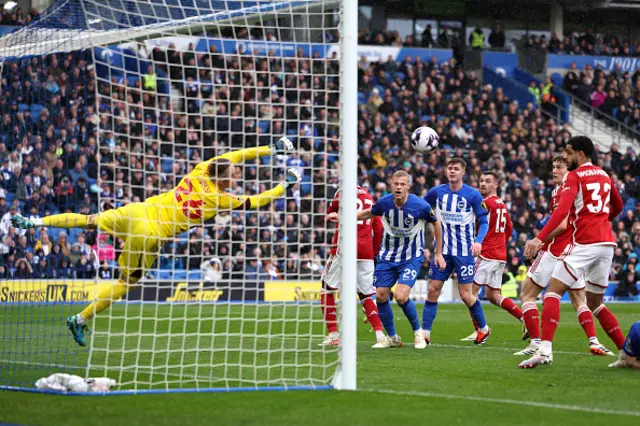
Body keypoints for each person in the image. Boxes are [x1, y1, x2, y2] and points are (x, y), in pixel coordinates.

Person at [11, 139, 300, 347]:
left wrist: (271, 149)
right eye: (234, 176)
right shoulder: (221, 198)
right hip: (150, 232)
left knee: (89, 220)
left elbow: (236, 154)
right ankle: (81, 318)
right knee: (127, 283)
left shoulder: (202, 169)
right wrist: (285, 184)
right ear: (223, 181)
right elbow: (260, 199)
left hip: (138, 209)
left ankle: (35, 222)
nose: (237, 176)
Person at [520, 136, 624, 368]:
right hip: (607, 244)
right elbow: (617, 206)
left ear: (580, 154)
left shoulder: (574, 176)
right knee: (595, 303)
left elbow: (561, 213)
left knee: (551, 294)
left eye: (568, 152)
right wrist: (602, 221)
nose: (565, 157)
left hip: (585, 244)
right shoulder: (605, 175)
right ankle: (627, 354)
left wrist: (539, 238)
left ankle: (544, 350)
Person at [356, 170, 445, 349]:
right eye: (396, 184)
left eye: (402, 184)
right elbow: (370, 213)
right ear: (391, 185)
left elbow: (436, 223)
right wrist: (347, 218)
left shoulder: (420, 205)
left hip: (411, 257)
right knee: (380, 296)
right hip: (387, 256)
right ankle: (393, 338)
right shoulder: (383, 203)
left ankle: (418, 333)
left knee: (400, 296)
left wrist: (438, 252)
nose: (399, 187)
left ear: (408, 187)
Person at [422, 158, 491, 345]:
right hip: (442, 251)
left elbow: (484, 222)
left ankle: (484, 329)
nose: (452, 171)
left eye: (456, 169)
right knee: (433, 290)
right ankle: (425, 335)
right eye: (450, 168)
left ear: (463, 173)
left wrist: (478, 242)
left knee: (465, 295)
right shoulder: (436, 192)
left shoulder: (473, 195)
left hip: (464, 252)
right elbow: (422, 208)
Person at [460, 171, 523, 342]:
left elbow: (478, 226)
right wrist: (500, 242)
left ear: (496, 185)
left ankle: (480, 329)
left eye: (487, 181)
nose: (482, 184)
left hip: (486, 254)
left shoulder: (484, 204)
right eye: (480, 180)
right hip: (500, 255)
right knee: (494, 295)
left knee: (468, 293)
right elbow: (509, 228)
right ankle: (525, 318)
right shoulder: (502, 204)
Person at [322, 186, 385, 347]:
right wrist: (374, 252)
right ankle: (380, 335)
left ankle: (334, 335)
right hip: (366, 252)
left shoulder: (342, 192)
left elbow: (329, 213)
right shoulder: (370, 197)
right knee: (365, 294)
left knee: (326, 288)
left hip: (343, 248)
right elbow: (379, 228)